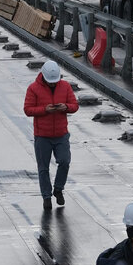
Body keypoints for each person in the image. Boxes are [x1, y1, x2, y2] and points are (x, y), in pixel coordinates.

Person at [22, 60, 78, 210]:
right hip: (42, 136)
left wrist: (65, 107)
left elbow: (74, 105)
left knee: (64, 161)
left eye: (55, 82)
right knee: (43, 168)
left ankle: (58, 189)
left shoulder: (65, 86)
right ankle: (46, 197)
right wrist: (45, 110)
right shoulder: (33, 89)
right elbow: (28, 110)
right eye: (50, 82)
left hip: (61, 134)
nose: (53, 84)